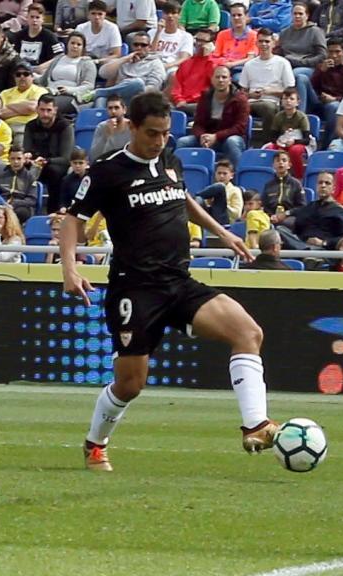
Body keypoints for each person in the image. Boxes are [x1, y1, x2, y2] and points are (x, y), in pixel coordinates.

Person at [59, 91, 276, 472]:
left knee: (248, 331)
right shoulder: (106, 171)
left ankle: (255, 425)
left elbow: (182, 197)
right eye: (152, 134)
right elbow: (73, 220)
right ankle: (95, 443)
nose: (160, 141)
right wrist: (70, 269)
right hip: (135, 289)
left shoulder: (169, 159)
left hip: (178, 281)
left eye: (164, 134)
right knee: (130, 385)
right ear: (131, 127)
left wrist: (222, 232)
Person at [177, 65, 248, 170]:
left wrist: (216, 136)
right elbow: (198, 123)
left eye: (224, 77)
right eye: (217, 77)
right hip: (208, 137)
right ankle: (177, 175)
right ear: (212, 80)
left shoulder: (240, 99)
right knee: (182, 142)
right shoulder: (205, 97)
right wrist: (202, 136)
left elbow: (240, 127)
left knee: (232, 142)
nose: (221, 80)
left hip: (229, 138)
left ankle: (238, 177)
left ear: (230, 80)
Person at [78, 32, 165, 109]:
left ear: (149, 47)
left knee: (137, 83)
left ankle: (99, 92)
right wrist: (125, 59)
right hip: (117, 99)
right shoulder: (125, 60)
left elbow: (153, 88)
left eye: (143, 45)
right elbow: (103, 73)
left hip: (139, 100)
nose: (139, 47)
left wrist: (132, 89)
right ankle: (99, 123)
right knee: (102, 98)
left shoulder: (156, 63)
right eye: (136, 44)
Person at [271, 170, 343, 250]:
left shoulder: (340, 211)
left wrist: (323, 242)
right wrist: (286, 213)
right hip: (302, 243)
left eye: (327, 183)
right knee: (279, 230)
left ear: (333, 189)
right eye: (320, 183)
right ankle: (305, 250)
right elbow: (297, 214)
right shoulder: (309, 207)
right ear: (316, 186)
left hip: (323, 249)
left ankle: (306, 252)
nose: (323, 186)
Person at [23, 95, 74, 212]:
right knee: (17, 166)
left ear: (55, 110)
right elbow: (27, 150)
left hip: (56, 164)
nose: (45, 114)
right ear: (37, 109)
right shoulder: (30, 126)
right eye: (42, 110)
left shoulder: (65, 126)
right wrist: (27, 156)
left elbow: (66, 158)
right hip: (35, 163)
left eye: (49, 110)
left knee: (54, 172)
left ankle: (52, 212)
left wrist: (46, 160)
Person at [274, 2, 327, 113]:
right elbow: (279, 52)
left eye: (300, 13)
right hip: (287, 65)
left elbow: (322, 55)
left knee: (297, 75)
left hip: (309, 66)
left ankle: (298, 113)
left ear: (307, 16)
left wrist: (303, 62)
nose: (297, 16)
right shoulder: (285, 32)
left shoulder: (315, 32)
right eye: (295, 13)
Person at [238, 28, 295, 129]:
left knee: (267, 107)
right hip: (251, 102)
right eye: (261, 41)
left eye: (267, 41)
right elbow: (242, 91)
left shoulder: (283, 63)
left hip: (272, 102)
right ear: (256, 43)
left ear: (273, 43)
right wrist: (250, 95)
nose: (264, 44)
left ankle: (268, 141)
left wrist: (270, 92)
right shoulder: (249, 65)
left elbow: (290, 91)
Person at [34, 32, 96, 118]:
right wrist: (29, 77)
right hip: (49, 91)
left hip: (69, 96)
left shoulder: (87, 63)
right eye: (72, 43)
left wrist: (69, 90)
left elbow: (89, 86)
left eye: (79, 44)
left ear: (83, 48)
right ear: (67, 44)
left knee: (38, 107)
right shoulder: (58, 59)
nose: (75, 46)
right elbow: (43, 79)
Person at [170, 29, 224, 115]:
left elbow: (216, 84)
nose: (199, 44)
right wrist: (179, 100)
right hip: (183, 104)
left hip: (202, 103)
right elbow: (177, 87)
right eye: (198, 40)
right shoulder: (186, 62)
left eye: (203, 41)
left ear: (212, 44)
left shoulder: (217, 63)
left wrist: (208, 57)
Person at [262, 88, 310, 179]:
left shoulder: (302, 117)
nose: (288, 101)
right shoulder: (278, 116)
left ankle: (299, 177)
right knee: (269, 148)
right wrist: (280, 142)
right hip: (282, 142)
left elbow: (306, 140)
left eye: (291, 99)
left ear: (297, 102)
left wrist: (294, 141)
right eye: (285, 99)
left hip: (298, 143)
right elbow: (272, 136)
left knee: (294, 150)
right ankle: (270, 176)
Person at [0, 62, 49, 145]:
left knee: (20, 146)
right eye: (18, 74)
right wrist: (23, 108)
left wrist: (8, 106)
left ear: (32, 77)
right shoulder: (5, 93)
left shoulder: (40, 91)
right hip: (4, 128)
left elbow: (32, 107)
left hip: (26, 128)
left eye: (26, 74)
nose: (22, 77)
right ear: (14, 78)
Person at [0, 146, 39, 221]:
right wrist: (3, 203)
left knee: (19, 213)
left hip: (21, 206)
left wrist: (14, 203)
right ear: (8, 159)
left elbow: (32, 200)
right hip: (2, 203)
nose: (16, 162)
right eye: (13, 158)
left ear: (24, 160)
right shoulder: (1, 174)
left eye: (19, 158)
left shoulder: (30, 177)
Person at [150, 2, 193, 76]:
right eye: (167, 13)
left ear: (179, 15)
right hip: (152, 65)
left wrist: (166, 66)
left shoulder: (186, 36)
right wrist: (158, 32)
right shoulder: (152, 32)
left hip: (172, 67)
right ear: (162, 14)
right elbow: (151, 53)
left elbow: (183, 58)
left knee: (173, 75)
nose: (170, 16)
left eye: (173, 13)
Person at [196, 159, 244, 225]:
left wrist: (223, 204)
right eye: (219, 173)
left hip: (225, 220)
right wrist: (210, 204)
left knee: (220, 187)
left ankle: (191, 197)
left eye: (225, 174)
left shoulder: (235, 190)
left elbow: (237, 214)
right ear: (215, 174)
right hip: (209, 217)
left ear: (231, 175)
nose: (221, 176)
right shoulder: (210, 190)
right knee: (199, 199)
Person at [213, 2, 257, 72]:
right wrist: (223, 63)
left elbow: (250, 58)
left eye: (239, 15)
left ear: (246, 16)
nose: (236, 18)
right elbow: (216, 55)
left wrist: (232, 64)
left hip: (241, 69)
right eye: (233, 15)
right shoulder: (222, 34)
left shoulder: (254, 35)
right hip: (223, 67)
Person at [261, 149, 305, 215]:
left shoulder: (296, 184)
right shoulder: (268, 185)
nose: (281, 163)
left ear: (289, 165)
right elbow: (264, 206)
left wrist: (287, 213)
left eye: (284, 160)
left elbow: (302, 207)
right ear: (273, 165)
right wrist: (271, 215)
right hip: (271, 217)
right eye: (277, 161)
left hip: (290, 216)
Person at [89, 94, 132, 161]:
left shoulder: (132, 127)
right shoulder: (101, 127)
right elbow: (94, 156)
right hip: (108, 164)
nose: (113, 111)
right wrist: (107, 134)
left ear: (124, 110)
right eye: (110, 108)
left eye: (116, 108)